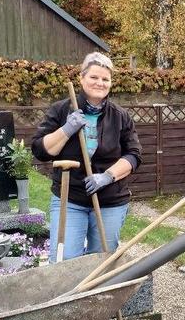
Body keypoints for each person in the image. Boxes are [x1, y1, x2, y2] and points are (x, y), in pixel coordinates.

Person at [30, 52, 141, 259]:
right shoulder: (61, 110)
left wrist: (107, 176)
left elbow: (134, 155)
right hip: (69, 198)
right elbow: (40, 150)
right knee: (64, 260)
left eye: (105, 79)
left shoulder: (120, 116)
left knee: (101, 262)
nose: (100, 83)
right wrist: (66, 130)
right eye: (94, 77)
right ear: (82, 78)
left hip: (110, 200)